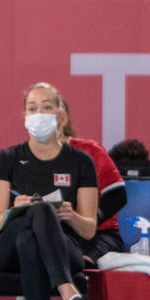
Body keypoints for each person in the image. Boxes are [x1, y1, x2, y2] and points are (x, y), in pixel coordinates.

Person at [0, 82, 107, 300]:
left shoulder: (81, 161)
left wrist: (71, 215)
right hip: (9, 249)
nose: (38, 113)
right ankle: (72, 298)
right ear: (24, 115)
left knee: (34, 236)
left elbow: (89, 229)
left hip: (64, 247)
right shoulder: (7, 158)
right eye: (32, 108)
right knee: (37, 212)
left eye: (46, 107)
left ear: (60, 116)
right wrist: (18, 206)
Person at [56, 88, 126, 265]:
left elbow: (118, 196)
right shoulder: (29, 157)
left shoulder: (90, 151)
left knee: (80, 262)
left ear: (63, 119)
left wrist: (87, 221)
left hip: (99, 235)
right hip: (57, 234)